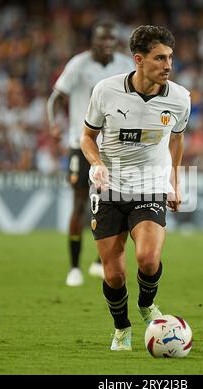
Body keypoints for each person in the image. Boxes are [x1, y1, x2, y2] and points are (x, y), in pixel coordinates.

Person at [81, 25, 191, 350]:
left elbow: (178, 139)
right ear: (139, 60)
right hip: (109, 188)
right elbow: (87, 137)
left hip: (150, 185)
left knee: (147, 258)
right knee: (114, 275)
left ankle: (146, 304)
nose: (168, 65)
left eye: (170, 57)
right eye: (160, 58)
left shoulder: (180, 98)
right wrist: (96, 164)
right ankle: (121, 328)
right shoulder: (106, 90)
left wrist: (174, 181)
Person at [47, 20, 134, 286]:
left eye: (111, 40)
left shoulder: (125, 65)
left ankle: (101, 261)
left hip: (114, 145)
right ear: (93, 40)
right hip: (81, 142)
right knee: (79, 202)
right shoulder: (78, 64)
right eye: (102, 40)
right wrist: (54, 124)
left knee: (119, 203)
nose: (107, 44)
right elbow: (55, 98)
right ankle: (74, 267)